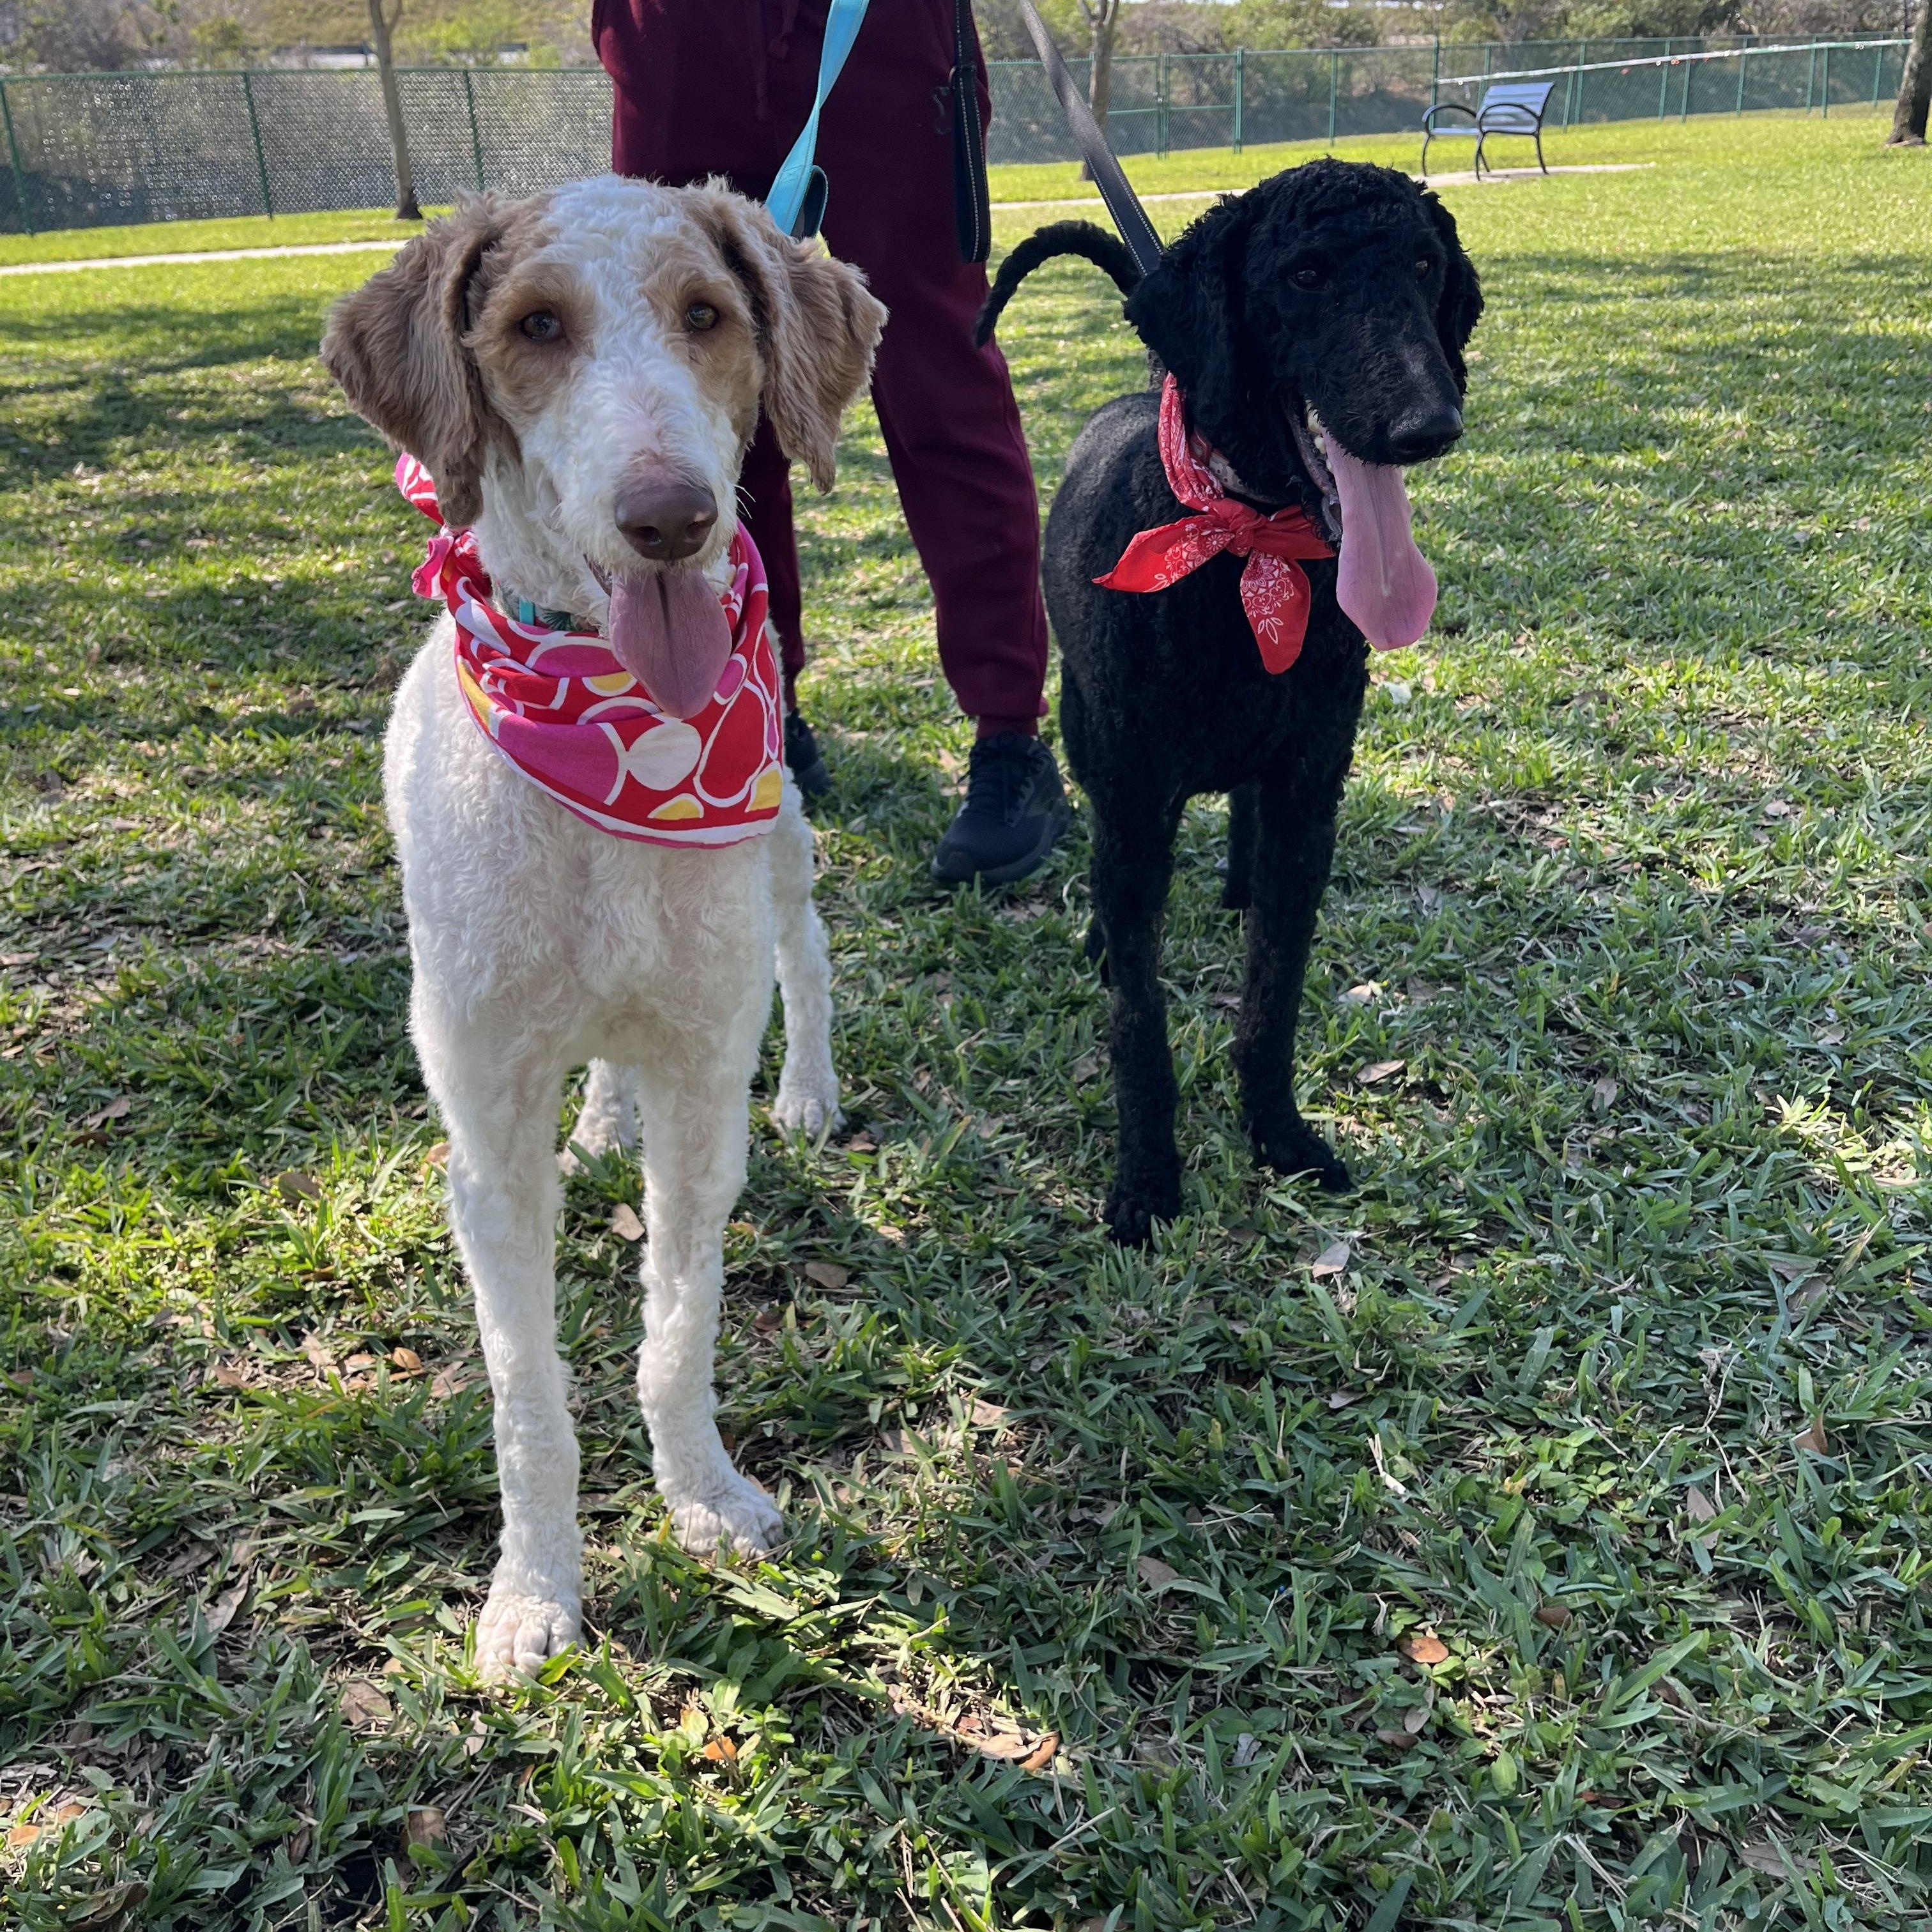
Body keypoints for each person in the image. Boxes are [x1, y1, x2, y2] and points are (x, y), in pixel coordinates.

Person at [592, 0, 1070, 887]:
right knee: (707, 368)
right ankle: (763, 706)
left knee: (940, 374)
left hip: (877, 26)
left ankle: (1011, 736)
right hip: (680, 35)